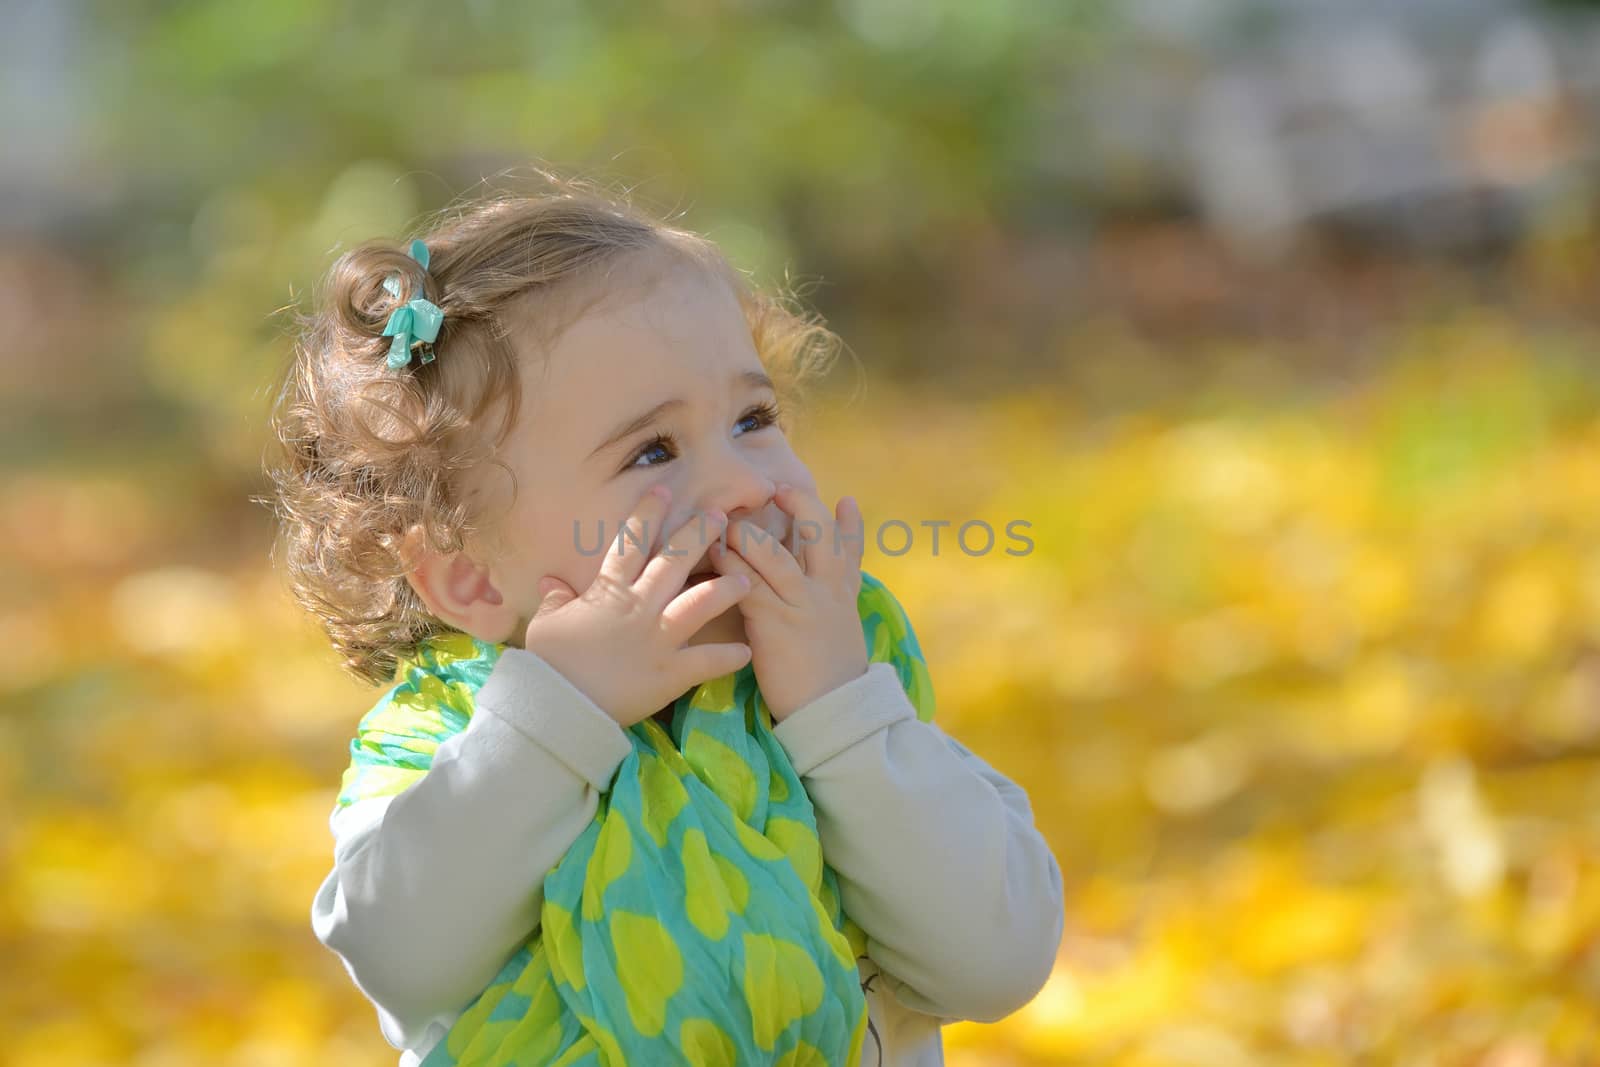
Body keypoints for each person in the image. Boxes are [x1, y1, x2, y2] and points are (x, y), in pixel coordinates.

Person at [266, 169, 1065, 1066]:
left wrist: (840, 713)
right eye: (653, 449)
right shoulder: (449, 737)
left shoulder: (845, 691)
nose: (745, 482)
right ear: (473, 580)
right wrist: (554, 721)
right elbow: (399, 952)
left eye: (754, 418)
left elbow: (997, 961)